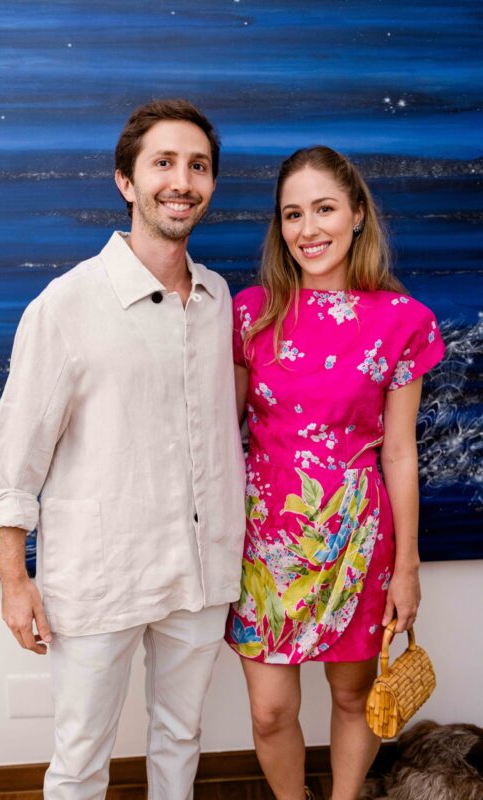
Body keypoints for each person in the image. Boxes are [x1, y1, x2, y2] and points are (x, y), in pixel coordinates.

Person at [0, 98, 246, 800]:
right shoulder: (66, 304)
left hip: (199, 571)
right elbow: (16, 453)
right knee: (79, 761)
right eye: (163, 163)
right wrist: (14, 580)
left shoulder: (220, 300)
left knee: (181, 738)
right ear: (126, 181)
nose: (181, 181)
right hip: (101, 573)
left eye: (198, 166)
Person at [224, 145, 445, 800]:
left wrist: (407, 567)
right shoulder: (251, 313)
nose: (308, 229)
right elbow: (222, 435)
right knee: (270, 711)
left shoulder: (401, 321)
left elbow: (399, 452)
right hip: (264, 545)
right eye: (293, 214)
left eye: (324, 209)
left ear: (357, 215)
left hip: (358, 542)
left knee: (353, 700)